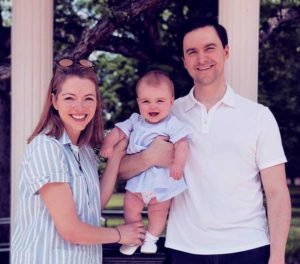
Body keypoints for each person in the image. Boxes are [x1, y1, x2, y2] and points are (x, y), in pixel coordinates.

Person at [118, 18, 291, 264]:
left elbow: (276, 192)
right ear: (185, 61)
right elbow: (121, 171)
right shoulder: (166, 113)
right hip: (184, 249)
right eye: (192, 52)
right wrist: (149, 157)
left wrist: (277, 256)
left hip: (248, 247)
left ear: (226, 52)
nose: (202, 58)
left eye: (209, 48)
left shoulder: (258, 116)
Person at [11, 58, 145, 264]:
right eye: (69, 98)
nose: (79, 107)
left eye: (88, 98)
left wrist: (117, 155)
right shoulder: (46, 148)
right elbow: (72, 230)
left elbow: (94, 204)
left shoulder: (84, 151)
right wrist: (120, 234)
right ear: (54, 101)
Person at [100, 71, 189, 255]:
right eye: (146, 101)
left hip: (161, 184)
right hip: (137, 183)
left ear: (171, 101)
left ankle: (151, 239)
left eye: (160, 101)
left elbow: (182, 144)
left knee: (159, 213)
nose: (152, 106)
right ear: (138, 102)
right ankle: (134, 238)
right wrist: (108, 145)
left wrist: (178, 164)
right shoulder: (135, 120)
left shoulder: (172, 124)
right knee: (130, 209)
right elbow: (118, 132)